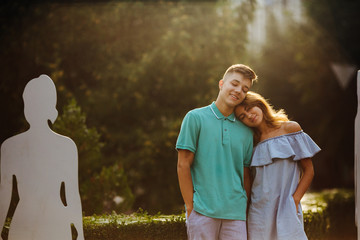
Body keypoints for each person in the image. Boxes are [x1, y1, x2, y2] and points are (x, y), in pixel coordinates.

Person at [176, 64, 258, 240]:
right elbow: (183, 164)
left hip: (236, 216)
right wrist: (191, 208)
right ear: (221, 84)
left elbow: (245, 175)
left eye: (244, 89)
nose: (238, 91)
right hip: (202, 212)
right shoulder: (195, 118)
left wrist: (244, 208)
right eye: (234, 84)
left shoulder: (246, 130)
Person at [0, 75, 84, 240]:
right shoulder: (66, 146)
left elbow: (4, 195)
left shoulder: (11, 147)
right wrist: (79, 234)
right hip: (50, 225)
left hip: (33, 224)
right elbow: (72, 196)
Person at [234, 91, 321, 240]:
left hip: (286, 208)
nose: (248, 115)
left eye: (249, 108)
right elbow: (247, 179)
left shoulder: (290, 129)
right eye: (242, 116)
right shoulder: (251, 142)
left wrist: (294, 200)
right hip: (258, 212)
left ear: (259, 104)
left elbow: (309, 170)